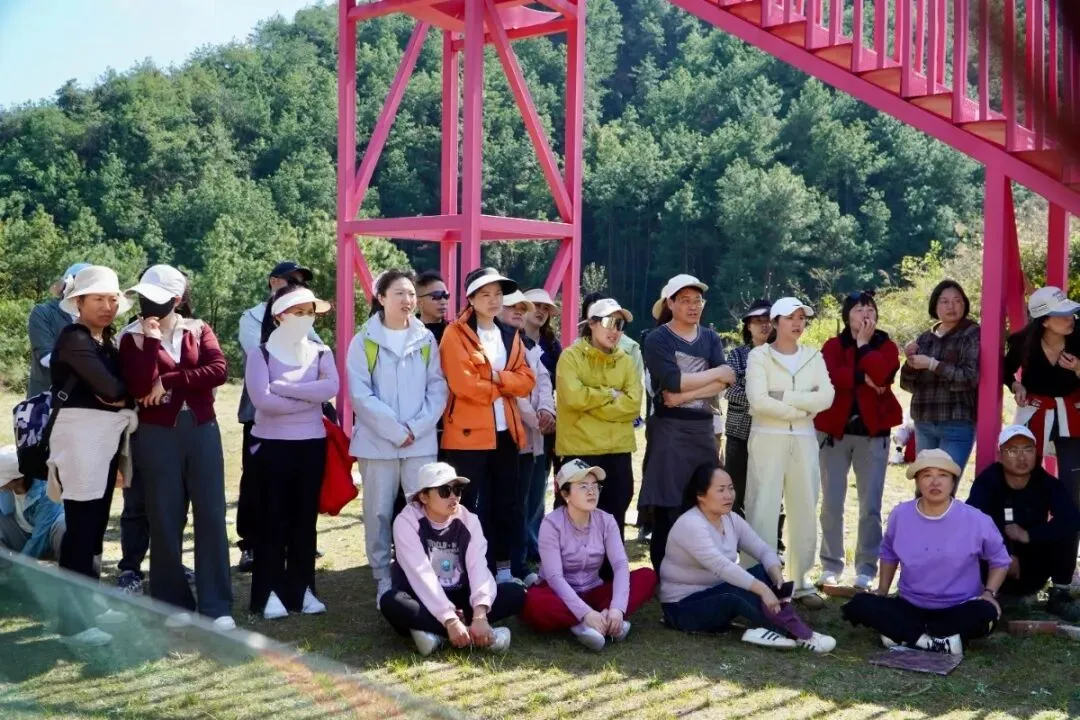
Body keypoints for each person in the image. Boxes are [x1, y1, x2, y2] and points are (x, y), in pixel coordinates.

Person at [119, 265, 234, 629]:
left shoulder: (198, 329)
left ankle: (216, 605)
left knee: (211, 514)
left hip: (202, 429)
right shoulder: (131, 337)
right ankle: (171, 604)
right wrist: (152, 340)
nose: (148, 304)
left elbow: (218, 370)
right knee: (164, 516)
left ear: (177, 298)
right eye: (144, 296)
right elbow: (139, 387)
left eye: (157, 297)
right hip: (155, 434)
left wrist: (169, 380)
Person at [841, 449, 1009, 655]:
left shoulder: (976, 519)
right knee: (861, 604)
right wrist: (882, 590)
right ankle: (935, 640)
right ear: (918, 482)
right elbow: (889, 552)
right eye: (927, 475)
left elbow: (1000, 559)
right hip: (910, 604)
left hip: (959, 606)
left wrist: (989, 593)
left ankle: (906, 635)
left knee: (986, 613)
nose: (935, 482)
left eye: (943, 475)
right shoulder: (901, 514)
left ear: (953, 482)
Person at [47, 265, 137, 646]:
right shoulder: (74, 338)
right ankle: (73, 623)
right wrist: (124, 393)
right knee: (81, 528)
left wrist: (120, 394)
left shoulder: (104, 341)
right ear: (79, 302)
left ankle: (89, 605)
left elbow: (117, 390)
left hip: (102, 440)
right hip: (81, 440)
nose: (107, 306)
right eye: (98, 298)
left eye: (112, 299)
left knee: (95, 525)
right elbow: (112, 388)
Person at [348, 270, 447, 607]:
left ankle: (424, 575)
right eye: (399, 293)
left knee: (424, 509)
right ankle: (383, 579)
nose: (407, 300)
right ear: (381, 298)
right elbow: (360, 394)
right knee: (378, 513)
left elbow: (437, 388)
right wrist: (394, 429)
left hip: (419, 442)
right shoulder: (363, 340)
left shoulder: (426, 339)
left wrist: (415, 428)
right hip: (377, 444)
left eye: (411, 294)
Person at [659, 464, 835, 652]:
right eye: (720, 490)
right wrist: (763, 590)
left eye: (731, 488)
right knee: (737, 590)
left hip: (715, 593)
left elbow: (763, 550)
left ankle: (781, 627)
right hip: (682, 608)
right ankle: (797, 634)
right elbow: (722, 567)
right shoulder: (691, 524)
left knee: (761, 572)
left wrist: (776, 575)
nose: (728, 495)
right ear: (700, 495)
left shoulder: (731, 519)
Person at [245, 285, 339, 619]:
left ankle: (302, 589)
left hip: (311, 444)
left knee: (304, 520)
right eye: (299, 313)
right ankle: (268, 592)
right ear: (280, 316)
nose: (306, 319)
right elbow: (263, 400)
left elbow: (330, 387)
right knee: (271, 518)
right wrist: (308, 398)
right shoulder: (260, 354)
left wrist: (286, 388)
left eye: (310, 313)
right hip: (270, 446)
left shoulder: (321, 352)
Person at [439, 267, 536, 583]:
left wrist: (494, 377)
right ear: (470, 298)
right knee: (463, 504)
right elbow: (463, 385)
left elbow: (527, 380)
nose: (494, 300)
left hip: (506, 433)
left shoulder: (510, 333)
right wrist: (506, 384)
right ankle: (461, 571)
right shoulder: (455, 333)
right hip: (466, 435)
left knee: (506, 504)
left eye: (497, 294)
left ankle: (504, 569)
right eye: (485, 294)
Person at [379, 462, 525, 656]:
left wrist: (480, 614)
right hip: (422, 598)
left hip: (461, 597)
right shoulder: (406, 521)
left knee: (516, 593)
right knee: (391, 601)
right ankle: (471, 634)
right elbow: (420, 575)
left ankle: (436, 635)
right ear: (423, 496)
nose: (454, 496)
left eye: (457, 489)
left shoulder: (469, 520)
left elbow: (478, 568)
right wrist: (449, 619)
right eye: (444, 491)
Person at [744, 297, 834, 607]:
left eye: (801, 317)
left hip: (805, 439)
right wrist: (801, 408)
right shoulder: (759, 355)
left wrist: (785, 396)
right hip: (767, 438)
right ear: (776, 322)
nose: (797, 323)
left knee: (805, 505)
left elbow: (826, 396)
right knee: (762, 506)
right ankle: (759, 578)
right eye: (790, 317)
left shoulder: (813, 356)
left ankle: (801, 581)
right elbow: (758, 400)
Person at [641, 274, 733, 571]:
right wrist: (716, 372)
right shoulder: (657, 339)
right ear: (670, 303)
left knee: (703, 500)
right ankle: (664, 573)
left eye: (697, 300)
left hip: (703, 428)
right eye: (685, 301)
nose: (693, 306)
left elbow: (724, 383)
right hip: (669, 430)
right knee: (668, 505)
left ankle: (700, 568)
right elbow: (673, 380)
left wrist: (684, 395)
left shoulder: (710, 338)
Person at [814, 291, 902, 591]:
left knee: (870, 506)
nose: (866, 313)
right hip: (834, 434)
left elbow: (883, 375)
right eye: (858, 309)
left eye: (870, 309)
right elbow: (829, 375)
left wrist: (864, 345)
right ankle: (830, 565)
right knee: (831, 503)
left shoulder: (886, 345)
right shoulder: (832, 345)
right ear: (847, 315)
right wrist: (862, 378)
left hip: (873, 435)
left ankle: (866, 568)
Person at [521, 459, 657, 651]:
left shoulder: (606, 521)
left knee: (647, 576)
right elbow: (554, 577)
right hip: (558, 593)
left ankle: (607, 618)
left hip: (593, 590)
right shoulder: (551, 524)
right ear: (565, 494)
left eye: (595, 486)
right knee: (534, 603)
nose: (592, 491)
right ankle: (583, 624)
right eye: (583, 486)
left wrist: (617, 608)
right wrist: (585, 614)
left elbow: (620, 565)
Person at [236, 261, 319, 572]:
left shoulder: (305, 318)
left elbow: (319, 357)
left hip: (302, 419)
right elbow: (261, 357)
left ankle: (295, 541)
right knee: (255, 479)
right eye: (291, 280)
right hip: (259, 414)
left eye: (302, 282)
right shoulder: (251, 317)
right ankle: (250, 544)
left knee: (298, 482)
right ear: (273, 282)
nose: (298, 286)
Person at [1004, 286, 1080, 586]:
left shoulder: (1079, 336)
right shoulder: (1024, 341)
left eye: (1071, 312)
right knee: (1022, 484)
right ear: (1044, 320)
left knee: (1072, 495)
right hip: (1035, 415)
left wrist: (1079, 369)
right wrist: (1016, 385)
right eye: (1062, 314)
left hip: (1073, 416)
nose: (1070, 318)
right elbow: (1005, 371)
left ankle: (1062, 579)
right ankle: (1024, 568)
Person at [967, 425, 1080, 621]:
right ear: (1000, 455)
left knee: (1066, 529)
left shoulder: (1045, 481)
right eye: (1013, 450)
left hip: (1033, 564)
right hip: (992, 565)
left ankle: (1059, 594)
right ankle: (983, 594)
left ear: (1036, 453)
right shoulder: (988, 481)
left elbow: (1071, 518)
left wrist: (1030, 535)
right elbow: (972, 519)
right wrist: (1002, 554)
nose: (1021, 457)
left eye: (1028, 449)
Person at [555, 298, 641, 538]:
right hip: (580, 449)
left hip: (618, 450)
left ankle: (612, 562)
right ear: (591, 323)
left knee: (615, 515)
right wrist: (610, 394)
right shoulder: (570, 357)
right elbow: (574, 398)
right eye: (608, 322)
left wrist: (591, 402)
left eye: (620, 325)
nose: (615, 330)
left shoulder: (625, 360)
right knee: (576, 518)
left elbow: (633, 405)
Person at [900, 280, 980, 475]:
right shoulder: (925, 338)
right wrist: (910, 363)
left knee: (946, 483)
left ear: (965, 304)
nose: (951, 306)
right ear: (935, 306)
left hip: (956, 422)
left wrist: (933, 365)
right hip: (924, 422)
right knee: (925, 485)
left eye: (957, 301)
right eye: (944, 301)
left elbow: (970, 377)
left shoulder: (972, 334)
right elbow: (907, 385)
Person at [500, 290, 553, 583]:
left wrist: (546, 410)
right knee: (504, 505)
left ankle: (518, 565)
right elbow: (510, 389)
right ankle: (502, 566)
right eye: (514, 307)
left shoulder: (530, 345)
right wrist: (536, 419)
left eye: (523, 307)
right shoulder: (494, 342)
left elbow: (542, 380)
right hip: (505, 435)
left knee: (523, 505)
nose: (519, 312)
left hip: (531, 440)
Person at [723, 299, 772, 517]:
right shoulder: (737, 355)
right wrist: (765, 398)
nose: (764, 325)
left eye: (768, 320)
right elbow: (730, 391)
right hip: (739, 433)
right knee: (736, 489)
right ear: (748, 326)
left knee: (769, 491)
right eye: (758, 321)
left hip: (771, 432)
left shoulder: (782, 355)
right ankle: (733, 530)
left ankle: (771, 533)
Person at [522, 287, 562, 557]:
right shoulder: (508, 338)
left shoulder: (552, 345)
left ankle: (534, 542)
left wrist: (549, 414)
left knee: (538, 485)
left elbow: (555, 384)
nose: (541, 311)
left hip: (546, 424)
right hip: (515, 422)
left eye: (546, 308)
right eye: (535, 305)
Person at [27, 262, 90, 399]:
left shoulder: (94, 318)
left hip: (83, 401)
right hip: (47, 401)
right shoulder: (43, 312)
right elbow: (46, 358)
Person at [0, 447, 64, 561]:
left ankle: (69, 569)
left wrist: (20, 564)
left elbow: (40, 535)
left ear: (18, 479)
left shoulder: (45, 492)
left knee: (63, 526)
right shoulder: (6, 490)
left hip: (46, 539)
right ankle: (5, 569)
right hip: (22, 535)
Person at [415, 270, 450, 344]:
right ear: (419, 302)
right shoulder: (407, 331)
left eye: (446, 296)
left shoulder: (453, 331)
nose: (443, 301)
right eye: (437, 295)